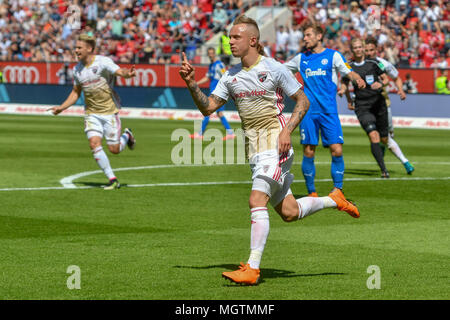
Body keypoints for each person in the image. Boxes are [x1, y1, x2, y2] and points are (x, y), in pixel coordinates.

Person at [179, 15, 360, 286]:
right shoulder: (230, 76)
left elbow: (302, 100)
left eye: (236, 37)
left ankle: (252, 268)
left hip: (276, 146)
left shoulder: (274, 68)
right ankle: (334, 199)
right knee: (289, 212)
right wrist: (191, 83)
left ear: (253, 40)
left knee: (256, 200)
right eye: (229, 37)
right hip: (255, 151)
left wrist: (287, 130)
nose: (230, 41)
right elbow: (207, 107)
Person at [284, 21, 365, 197]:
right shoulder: (300, 58)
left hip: (329, 111)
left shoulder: (333, 56)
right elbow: (282, 71)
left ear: (319, 36)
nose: (305, 39)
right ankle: (312, 192)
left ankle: (338, 190)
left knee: (337, 150)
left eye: (308, 35)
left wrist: (356, 79)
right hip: (308, 112)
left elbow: (349, 71)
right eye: (304, 36)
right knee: (308, 151)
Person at [48, 34, 136, 190]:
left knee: (114, 150)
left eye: (79, 48)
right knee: (94, 143)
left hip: (109, 112)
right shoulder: (77, 70)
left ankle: (127, 135)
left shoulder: (103, 62)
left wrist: (127, 74)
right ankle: (112, 179)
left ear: (89, 48)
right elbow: (76, 92)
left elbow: (118, 71)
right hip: (91, 114)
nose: (76, 50)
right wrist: (61, 107)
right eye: (75, 47)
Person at [364, 37, 415, 174]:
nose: (368, 53)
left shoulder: (382, 64)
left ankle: (383, 152)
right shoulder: (360, 63)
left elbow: (396, 77)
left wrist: (401, 89)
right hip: (366, 106)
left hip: (382, 103)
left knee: (387, 136)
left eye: (371, 50)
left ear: (376, 50)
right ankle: (405, 162)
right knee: (382, 136)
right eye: (366, 50)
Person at [341, 38, 391, 178]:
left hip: (379, 104)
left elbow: (386, 79)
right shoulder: (348, 66)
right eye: (355, 47)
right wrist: (347, 97)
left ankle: (380, 153)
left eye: (359, 47)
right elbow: (344, 84)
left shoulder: (374, 63)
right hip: (362, 106)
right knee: (373, 136)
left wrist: (381, 85)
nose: (358, 49)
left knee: (384, 138)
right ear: (352, 50)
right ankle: (383, 170)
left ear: (363, 48)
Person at [190, 47, 235, 140]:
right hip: (213, 92)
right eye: (209, 53)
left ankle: (200, 133)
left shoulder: (219, 65)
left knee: (208, 111)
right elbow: (207, 78)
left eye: (212, 53)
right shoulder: (211, 65)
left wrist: (224, 91)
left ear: (214, 54)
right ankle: (230, 133)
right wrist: (196, 83)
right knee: (218, 113)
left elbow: (225, 76)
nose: (210, 55)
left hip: (218, 93)